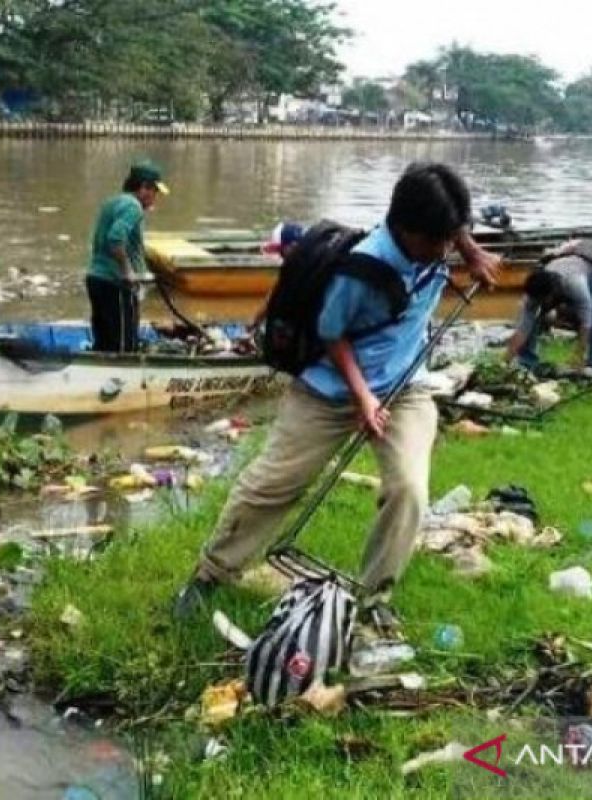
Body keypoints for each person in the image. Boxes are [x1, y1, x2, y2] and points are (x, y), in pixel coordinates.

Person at [172, 162, 501, 640]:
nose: (445, 251)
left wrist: (470, 251)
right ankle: (210, 575)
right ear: (407, 230)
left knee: (409, 488)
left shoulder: (438, 239)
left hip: (405, 387)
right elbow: (331, 334)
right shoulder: (363, 269)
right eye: (441, 241)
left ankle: (375, 597)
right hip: (329, 389)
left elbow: (455, 231)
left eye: (453, 238)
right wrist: (363, 397)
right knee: (272, 485)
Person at [86, 160, 169, 353]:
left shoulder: (113, 202)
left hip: (96, 278)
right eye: (155, 191)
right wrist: (128, 272)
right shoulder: (133, 207)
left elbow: (103, 240)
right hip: (116, 284)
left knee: (105, 341)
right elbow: (115, 238)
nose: (155, 198)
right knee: (125, 346)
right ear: (144, 188)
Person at [504, 238, 592, 377]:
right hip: (570, 270)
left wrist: (578, 356)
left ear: (552, 294)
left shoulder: (574, 285)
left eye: (543, 301)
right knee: (531, 315)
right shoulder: (534, 293)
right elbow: (522, 329)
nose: (540, 303)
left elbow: (587, 322)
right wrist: (505, 362)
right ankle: (527, 362)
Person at [246, 221, 306, 333]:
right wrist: (254, 323)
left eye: (280, 251)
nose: (280, 256)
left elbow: (272, 300)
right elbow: (273, 296)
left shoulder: (300, 271)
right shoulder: (302, 266)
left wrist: (253, 324)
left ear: (292, 247)